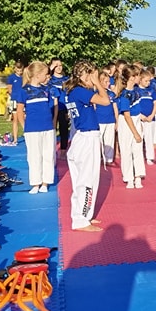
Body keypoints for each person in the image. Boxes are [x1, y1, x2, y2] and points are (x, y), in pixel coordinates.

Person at [65, 60, 110, 232]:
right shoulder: (80, 91)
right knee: (87, 180)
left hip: (82, 137)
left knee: (81, 180)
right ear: (85, 75)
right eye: (92, 75)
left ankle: (84, 215)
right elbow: (105, 100)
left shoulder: (75, 92)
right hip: (86, 139)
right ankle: (81, 220)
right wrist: (97, 82)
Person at [14, 60, 57, 194]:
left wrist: (53, 123)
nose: (47, 76)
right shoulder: (24, 91)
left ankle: (46, 182)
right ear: (38, 75)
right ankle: (35, 183)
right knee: (34, 156)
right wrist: (24, 126)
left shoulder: (46, 90)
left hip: (47, 127)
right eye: (45, 74)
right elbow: (19, 111)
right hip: (32, 129)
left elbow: (51, 107)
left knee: (48, 155)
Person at [116, 64, 145, 188]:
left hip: (136, 120)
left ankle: (138, 176)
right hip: (126, 123)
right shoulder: (125, 95)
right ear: (132, 77)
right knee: (126, 150)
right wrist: (135, 133)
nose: (139, 78)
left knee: (138, 150)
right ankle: (129, 178)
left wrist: (140, 124)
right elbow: (127, 116)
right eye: (137, 75)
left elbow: (137, 110)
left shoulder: (137, 91)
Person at [136, 68, 156, 164]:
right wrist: (140, 115)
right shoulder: (136, 90)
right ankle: (138, 156)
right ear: (140, 79)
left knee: (149, 138)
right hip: (139, 118)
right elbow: (134, 105)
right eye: (146, 81)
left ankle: (149, 157)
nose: (148, 83)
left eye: (149, 81)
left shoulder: (152, 90)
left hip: (150, 118)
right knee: (139, 138)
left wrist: (152, 115)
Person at [95, 72, 118, 166]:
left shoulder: (111, 94)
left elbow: (115, 107)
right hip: (99, 120)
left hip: (110, 120)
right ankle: (98, 158)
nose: (108, 83)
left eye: (109, 81)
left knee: (109, 140)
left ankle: (109, 159)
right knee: (98, 141)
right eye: (106, 81)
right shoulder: (96, 93)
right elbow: (94, 107)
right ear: (100, 82)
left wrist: (117, 121)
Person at [49, 59, 70, 159]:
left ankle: (63, 151)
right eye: (56, 65)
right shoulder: (49, 79)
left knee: (64, 130)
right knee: (51, 130)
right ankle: (51, 151)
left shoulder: (67, 79)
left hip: (63, 108)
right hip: (51, 108)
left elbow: (70, 94)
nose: (59, 67)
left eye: (60, 65)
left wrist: (69, 109)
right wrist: (50, 70)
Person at [6, 58, 26, 140]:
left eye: (21, 70)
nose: (19, 72)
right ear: (15, 69)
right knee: (15, 119)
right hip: (14, 100)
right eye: (18, 70)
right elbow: (9, 89)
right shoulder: (11, 77)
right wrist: (14, 97)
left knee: (23, 117)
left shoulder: (24, 77)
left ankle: (26, 133)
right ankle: (15, 139)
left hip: (23, 100)